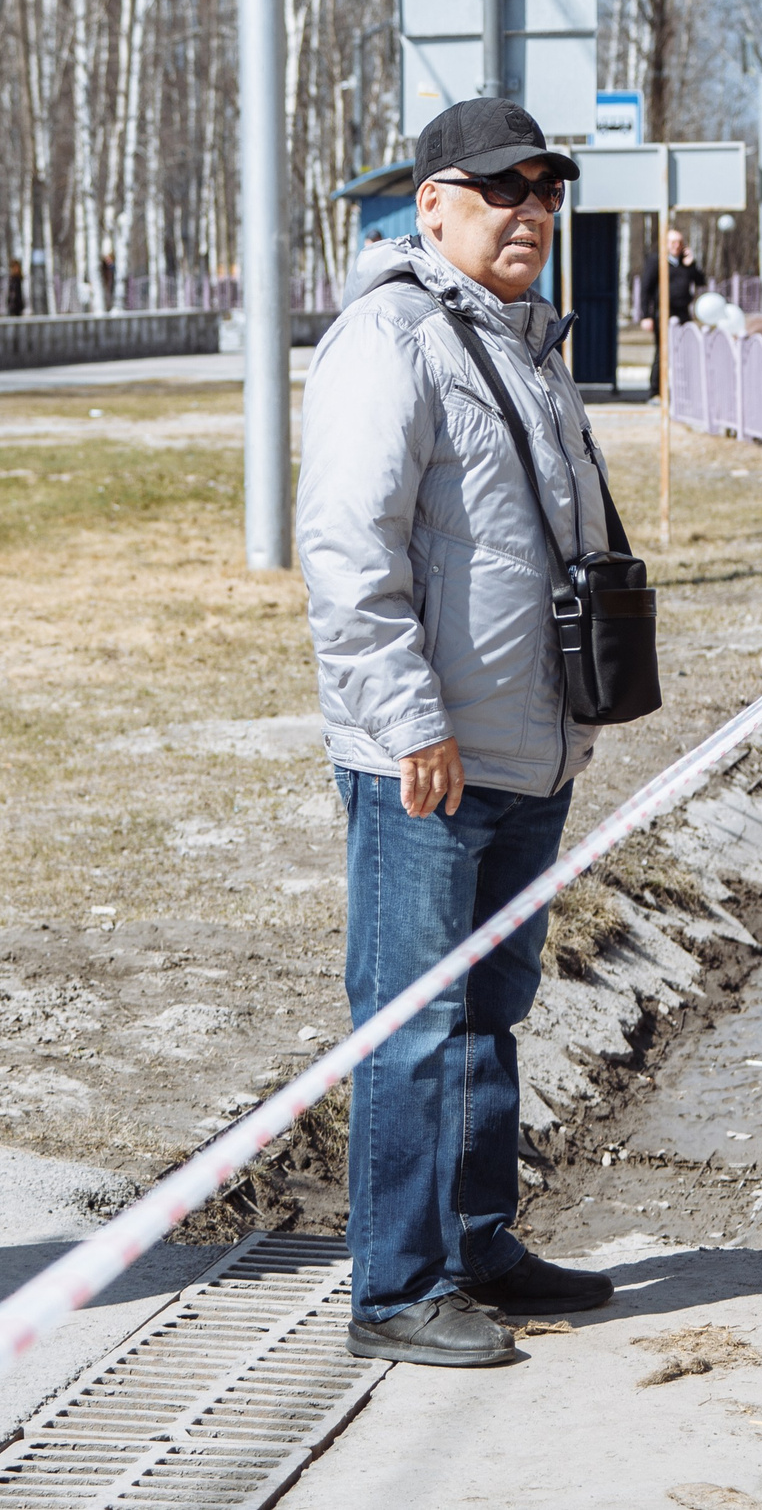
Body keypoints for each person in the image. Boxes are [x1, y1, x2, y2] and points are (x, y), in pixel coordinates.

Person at [295, 97, 614, 1370]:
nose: (530, 211)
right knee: (414, 1022)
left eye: (545, 191)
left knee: (489, 1006)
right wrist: (409, 718)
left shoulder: (526, 342)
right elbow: (346, 549)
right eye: (501, 189)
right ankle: (396, 1288)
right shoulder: (392, 339)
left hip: (525, 748)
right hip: (426, 756)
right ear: (431, 205)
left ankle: (479, 1242)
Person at [635, 227, 703, 332]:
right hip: (662, 313)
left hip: (683, 313)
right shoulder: (656, 261)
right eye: (673, 242)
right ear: (665, 243)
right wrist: (646, 316)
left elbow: (701, 282)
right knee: (663, 347)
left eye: (680, 242)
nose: (677, 246)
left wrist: (691, 265)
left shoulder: (685, 263)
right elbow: (646, 288)